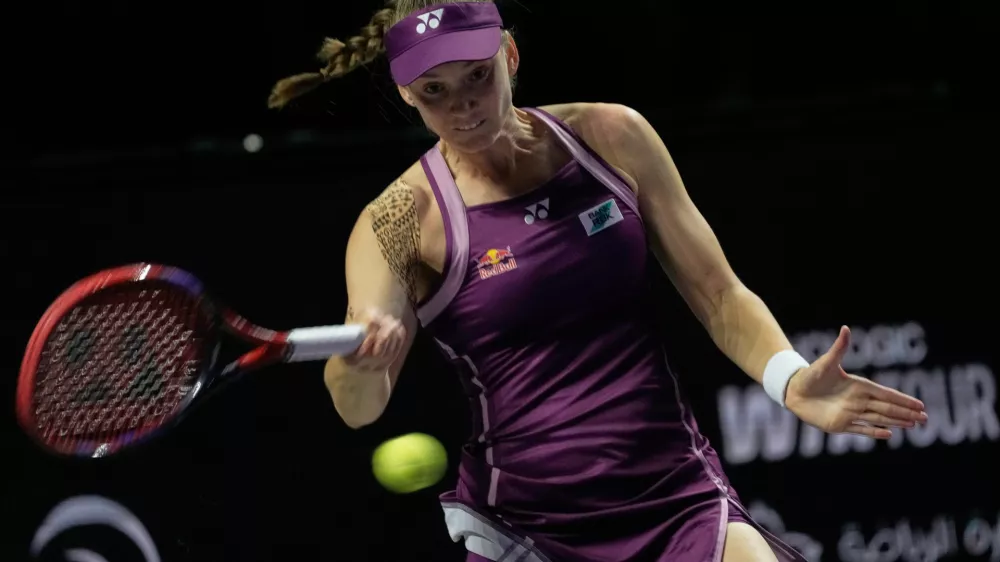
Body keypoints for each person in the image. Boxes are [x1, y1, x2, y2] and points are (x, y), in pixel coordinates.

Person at [268, 2, 929, 561]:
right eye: (434, 91)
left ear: (510, 56)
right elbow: (358, 405)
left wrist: (788, 380)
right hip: (528, 528)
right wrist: (360, 364)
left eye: (477, 75)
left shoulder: (612, 135)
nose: (463, 105)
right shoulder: (395, 221)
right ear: (407, 94)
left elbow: (720, 295)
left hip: (676, 493)